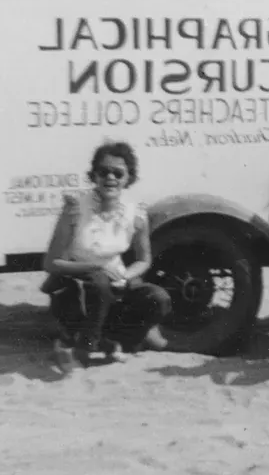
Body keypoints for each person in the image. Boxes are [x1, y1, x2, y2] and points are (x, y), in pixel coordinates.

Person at [41, 141, 171, 374]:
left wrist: (125, 275)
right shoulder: (75, 209)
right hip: (75, 288)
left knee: (158, 298)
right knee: (99, 281)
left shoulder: (136, 214)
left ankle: (110, 341)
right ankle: (83, 348)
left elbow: (144, 259)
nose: (110, 177)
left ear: (128, 178)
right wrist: (97, 266)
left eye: (118, 173)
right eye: (104, 171)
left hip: (112, 288)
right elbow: (50, 263)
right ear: (94, 176)